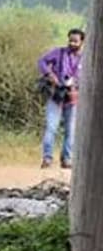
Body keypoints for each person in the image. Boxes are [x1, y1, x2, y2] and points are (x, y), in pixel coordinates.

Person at [38, 28, 85, 170]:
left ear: (82, 42)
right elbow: (42, 62)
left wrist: (76, 87)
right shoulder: (59, 53)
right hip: (56, 96)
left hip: (73, 98)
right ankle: (47, 158)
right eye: (70, 40)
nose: (72, 43)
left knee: (70, 130)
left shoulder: (86, 59)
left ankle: (66, 159)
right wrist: (50, 75)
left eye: (75, 41)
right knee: (51, 128)